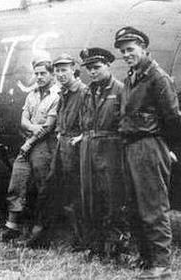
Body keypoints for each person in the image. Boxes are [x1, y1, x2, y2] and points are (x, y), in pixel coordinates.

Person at [115, 26, 179, 279]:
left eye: (131, 49)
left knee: (153, 207)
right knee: (135, 206)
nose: (126, 54)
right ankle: (146, 259)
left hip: (150, 146)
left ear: (144, 49)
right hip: (131, 146)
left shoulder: (157, 77)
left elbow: (173, 117)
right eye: (123, 51)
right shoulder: (133, 77)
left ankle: (161, 265)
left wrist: (168, 148)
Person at [2, 59, 59, 246]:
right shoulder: (32, 94)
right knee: (17, 181)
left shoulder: (57, 95)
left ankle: (41, 232)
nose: (39, 77)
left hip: (45, 145)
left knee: (44, 187)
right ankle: (12, 226)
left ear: (52, 74)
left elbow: (49, 127)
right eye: (37, 73)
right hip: (30, 141)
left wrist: (30, 141)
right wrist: (34, 130)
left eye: (43, 73)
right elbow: (23, 121)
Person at [76, 48, 125, 257]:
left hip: (111, 148)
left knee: (112, 198)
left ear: (108, 66)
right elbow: (83, 119)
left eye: (97, 67)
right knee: (90, 198)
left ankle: (115, 247)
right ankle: (94, 246)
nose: (93, 72)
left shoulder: (121, 90)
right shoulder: (87, 91)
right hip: (88, 147)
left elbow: (125, 121)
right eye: (89, 68)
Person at [51, 53, 87, 247]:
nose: (60, 74)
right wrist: (58, 132)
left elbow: (89, 119)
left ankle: (81, 240)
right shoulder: (63, 92)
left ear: (73, 69)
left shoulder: (82, 92)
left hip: (75, 148)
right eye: (57, 70)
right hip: (62, 144)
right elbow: (60, 117)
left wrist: (80, 136)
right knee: (62, 190)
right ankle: (74, 236)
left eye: (64, 70)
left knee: (76, 193)